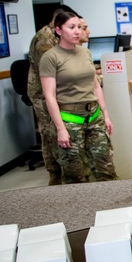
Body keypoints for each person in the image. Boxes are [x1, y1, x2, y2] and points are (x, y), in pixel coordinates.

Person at [39, 12, 117, 184]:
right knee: (75, 176)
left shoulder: (85, 52)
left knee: (106, 170)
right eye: (71, 27)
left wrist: (106, 115)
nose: (77, 32)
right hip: (70, 120)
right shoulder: (50, 57)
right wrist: (60, 129)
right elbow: (49, 96)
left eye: (79, 28)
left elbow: (95, 85)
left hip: (94, 117)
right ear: (59, 30)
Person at [28, 6, 75, 186]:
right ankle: (55, 176)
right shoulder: (45, 39)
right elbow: (51, 70)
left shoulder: (55, 37)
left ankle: (63, 172)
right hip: (43, 95)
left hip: (55, 92)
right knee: (50, 133)